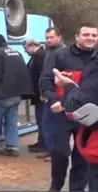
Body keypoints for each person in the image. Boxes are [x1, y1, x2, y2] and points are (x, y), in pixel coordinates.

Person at [39, 23, 98, 192]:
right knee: (58, 153)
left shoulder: (96, 58)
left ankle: (76, 189)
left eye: (94, 35)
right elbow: (46, 81)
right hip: (60, 114)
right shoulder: (60, 55)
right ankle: (56, 186)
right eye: (86, 34)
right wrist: (53, 101)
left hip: (86, 116)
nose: (90, 38)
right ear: (77, 37)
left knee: (82, 156)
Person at [0, 34, 33, 156]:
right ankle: (13, 146)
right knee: (11, 120)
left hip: (2, 94)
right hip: (17, 94)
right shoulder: (16, 52)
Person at [39, 27, 66, 161]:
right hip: (49, 95)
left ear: (59, 37)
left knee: (57, 127)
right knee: (47, 125)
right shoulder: (49, 51)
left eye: (51, 37)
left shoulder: (63, 52)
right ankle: (51, 151)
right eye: (47, 38)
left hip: (58, 97)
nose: (48, 40)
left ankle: (58, 153)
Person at [22, 39, 47, 154]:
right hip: (38, 94)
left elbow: (43, 77)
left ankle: (44, 144)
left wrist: (42, 93)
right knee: (40, 119)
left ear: (32, 46)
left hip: (40, 95)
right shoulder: (38, 55)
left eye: (26, 48)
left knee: (42, 120)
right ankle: (41, 142)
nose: (25, 51)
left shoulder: (40, 56)